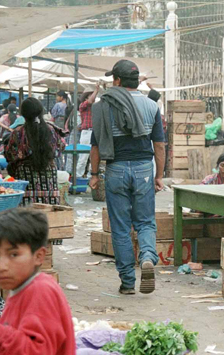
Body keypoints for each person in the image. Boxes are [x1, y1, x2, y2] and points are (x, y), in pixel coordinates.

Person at [89, 59, 165, 295]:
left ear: (118, 81)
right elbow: (160, 146)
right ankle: (148, 257)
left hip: (116, 169)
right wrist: (159, 176)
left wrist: (93, 174)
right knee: (144, 222)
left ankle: (128, 282)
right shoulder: (152, 106)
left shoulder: (104, 106)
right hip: (144, 168)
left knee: (121, 228)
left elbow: (95, 146)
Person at [0, 208, 75, 354]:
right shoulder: (19, 288)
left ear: (39, 256)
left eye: (13, 255)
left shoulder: (40, 291)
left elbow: (36, 351)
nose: (1, 266)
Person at [4, 98, 66, 206]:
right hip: (49, 180)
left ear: (23, 113)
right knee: (49, 215)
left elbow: (9, 155)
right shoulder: (51, 129)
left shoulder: (18, 133)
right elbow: (61, 147)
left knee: (28, 218)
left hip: (25, 179)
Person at [74, 84, 100, 177]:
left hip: (93, 132)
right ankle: (77, 176)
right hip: (87, 132)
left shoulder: (94, 106)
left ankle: (89, 176)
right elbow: (90, 101)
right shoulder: (83, 105)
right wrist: (96, 90)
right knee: (83, 157)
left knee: (92, 157)